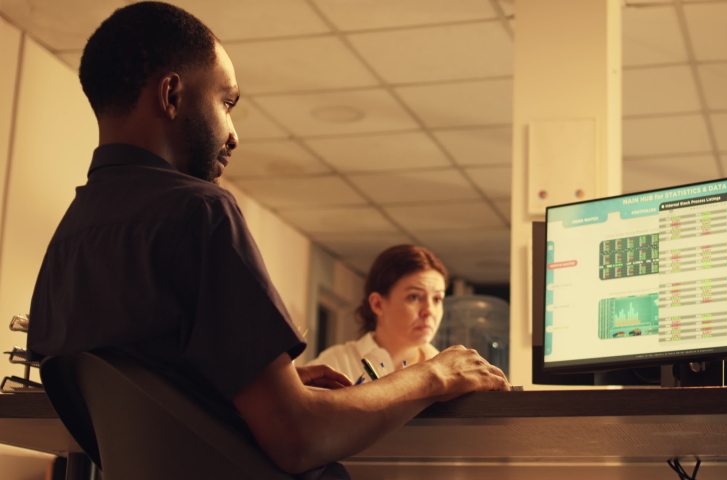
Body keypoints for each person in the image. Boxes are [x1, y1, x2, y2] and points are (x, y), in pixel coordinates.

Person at [25, 2, 510, 478]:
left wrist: (267, 383)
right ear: (172, 95)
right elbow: (299, 438)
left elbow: (150, 394)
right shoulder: (200, 212)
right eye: (226, 103)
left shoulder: (68, 239)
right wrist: (433, 375)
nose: (233, 134)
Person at [309, 245, 448, 383]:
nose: (429, 311)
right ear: (378, 304)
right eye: (414, 297)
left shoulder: (446, 372)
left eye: (437, 299)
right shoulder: (337, 363)